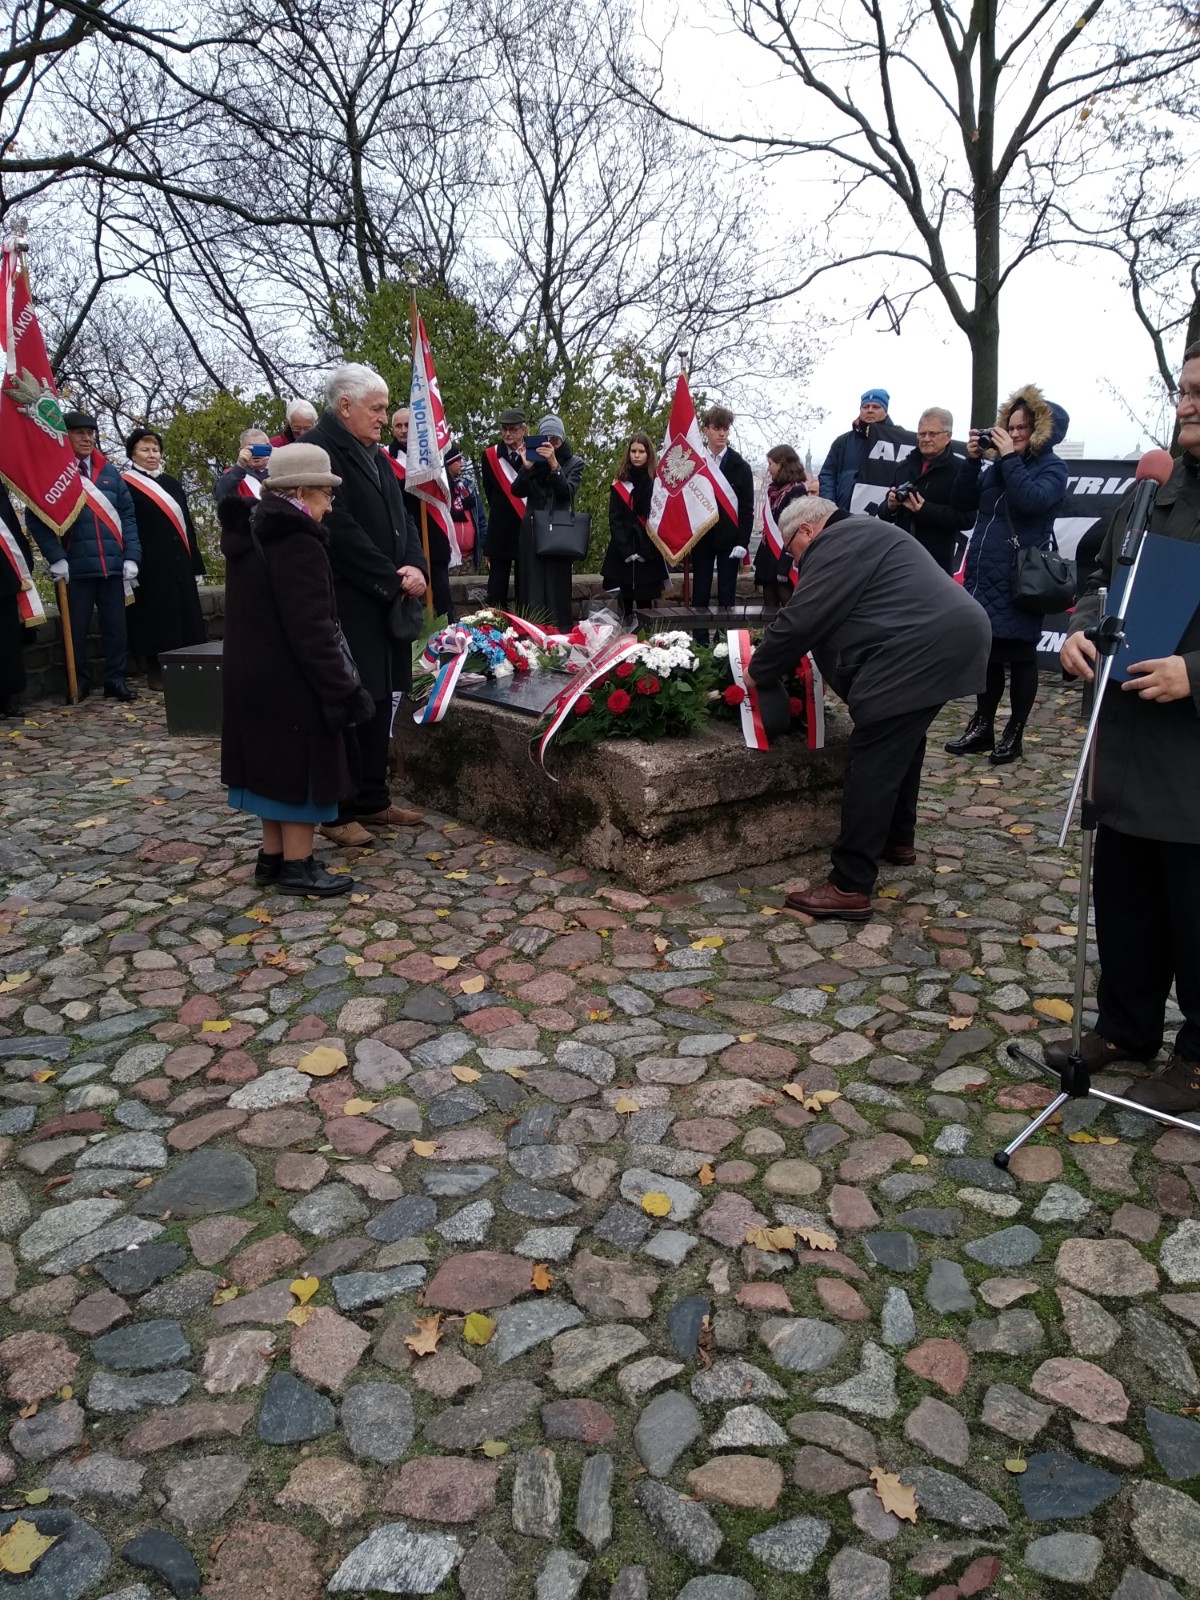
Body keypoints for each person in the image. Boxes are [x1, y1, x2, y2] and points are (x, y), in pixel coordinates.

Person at [1053, 346, 1200, 1112]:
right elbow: (1097, 581)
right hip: (1124, 744)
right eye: (1183, 390)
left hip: (1193, 759)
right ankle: (1126, 1025)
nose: (1187, 404)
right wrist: (1080, 630)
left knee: (1195, 914)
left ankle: (1199, 1055)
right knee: (1127, 903)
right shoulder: (1150, 497)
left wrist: (1195, 673)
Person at [748, 495, 989, 919]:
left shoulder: (836, 542)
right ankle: (898, 839)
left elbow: (803, 618)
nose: (794, 561)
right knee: (904, 741)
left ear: (806, 530)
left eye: (792, 550)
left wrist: (757, 670)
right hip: (950, 636)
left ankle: (849, 884)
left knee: (872, 760)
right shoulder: (864, 532)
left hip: (920, 647)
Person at [218, 442, 364, 898]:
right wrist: (341, 689)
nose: (330, 505)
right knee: (300, 769)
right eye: (326, 494)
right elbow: (311, 628)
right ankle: (299, 867)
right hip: (290, 679)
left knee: (269, 768)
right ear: (300, 493)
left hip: (252, 673)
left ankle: (272, 858)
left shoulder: (251, 533)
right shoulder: (299, 542)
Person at [306, 363, 427, 845]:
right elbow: (340, 530)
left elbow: (403, 518)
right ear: (345, 406)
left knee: (382, 699)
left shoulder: (373, 453)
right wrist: (391, 579)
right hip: (350, 600)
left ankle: (373, 798)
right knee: (352, 703)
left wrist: (415, 565)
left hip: (386, 599)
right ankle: (338, 811)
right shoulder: (320, 449)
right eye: (376, 409)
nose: (383, 418)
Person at [946, 385, 1070, 764]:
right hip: (984, 576)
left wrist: (1009, 459)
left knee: (1020, 655)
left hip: (1021, 578)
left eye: (1022, 428)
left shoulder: (1053, 467)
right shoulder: (999, 466)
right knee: (989, 654)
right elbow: (962, 503)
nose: (1014, 434)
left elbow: (1032, 501)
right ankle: (982, 726)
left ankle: (1014, 732)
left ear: (1041, 430)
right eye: (1010, 427)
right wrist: (972, 462)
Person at [26, 409, 141, 702]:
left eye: (90, 433)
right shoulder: (53, 473)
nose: (87, 438)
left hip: (112, 565)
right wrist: (55, 557)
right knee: (74, 631)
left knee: (117, 630)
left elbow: (127, 516)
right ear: (65, 437)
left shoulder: (109, 472)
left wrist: (132, 556)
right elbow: (36, 518)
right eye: (79, 433)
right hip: (73, 567)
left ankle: (116, 680)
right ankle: (79, 682)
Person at [121, 427, 207, 689]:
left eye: (155, 450)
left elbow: (187, 524)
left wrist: (196, 563)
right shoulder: (126, 484)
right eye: (145, 450)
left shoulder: (171, 483)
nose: (152, 455)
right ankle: (157, 669)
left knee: (185, 615)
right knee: (157, 615)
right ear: (133, 453)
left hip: (180, 559)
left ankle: (190, 663)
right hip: (150, 562)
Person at [874, 407, 973, 574]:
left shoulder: (960, 471)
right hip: (899, 559)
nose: (926, 439)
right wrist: (890, 506)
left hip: (936, 563)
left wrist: (924, 510)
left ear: (948, 436)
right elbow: (884, 514)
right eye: (922, 434)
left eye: (932, 434)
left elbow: (967, 519)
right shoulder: (903, 467)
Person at [513, 413, 584, 631]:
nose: (551, 444)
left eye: (555, 440)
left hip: (557, 533)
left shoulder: (574, 463)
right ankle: (530, 633)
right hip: (533, 532)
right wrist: (526, 468)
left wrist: (554, 466)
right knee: (531, 587)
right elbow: (517, 491)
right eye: (547, 440)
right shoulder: (533, 463)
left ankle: (559, 633)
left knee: (556, 588)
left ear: (562, 439)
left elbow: (566, 493)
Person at [387, 406, 456, 621]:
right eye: (398, 425)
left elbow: (448, 491)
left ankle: (448, 635)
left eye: (408, 425)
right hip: (404, 534)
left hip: (433, 531)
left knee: (442, 595)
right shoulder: (384, 457)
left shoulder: (434, 456)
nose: (403, 430)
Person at [690, 405, 754, 634]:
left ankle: (726, 644)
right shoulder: (695, 463)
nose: (722, 434)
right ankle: (699, 642)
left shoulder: (740, 466)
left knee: (727, 596)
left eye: (725, 429)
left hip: (730, 539)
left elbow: (746, 509)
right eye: (717, 428)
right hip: (702, 536)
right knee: (700, 594)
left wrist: (743, 541)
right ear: (705, 430)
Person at [602, 430, 668, 619]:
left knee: (646, 609)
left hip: (648, 553)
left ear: (648, 454)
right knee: (625, 608)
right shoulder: (620, 484)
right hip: (622, 553)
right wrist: (626, 551)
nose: (637, 455)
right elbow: (614, 519)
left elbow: (658, 519)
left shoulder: (656, 483)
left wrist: (645, 551)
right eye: (633, 451)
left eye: (641, 451)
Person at [753, 444, 817, 609]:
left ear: (781, 464)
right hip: (769, 554)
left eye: (770, 464)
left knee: (787, 601)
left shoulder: (797, 492)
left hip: (784, 556)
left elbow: (796, 527)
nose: (768, 469)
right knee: (769, 603)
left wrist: (785, 561)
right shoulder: (774, 490)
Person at [481, 407, 529, 607]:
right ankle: (494, 621)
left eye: (513, 429)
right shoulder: (490, 456)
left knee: (525, 585)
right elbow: (489, 491)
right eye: (504, 429)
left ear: (523, 430)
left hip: (525, 526)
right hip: (500, 527)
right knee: (496, 585)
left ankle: (525, 621)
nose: (508, 434)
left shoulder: (534, 453)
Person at [818, 388, 894, 512]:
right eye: (865, 407)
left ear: (885, 411)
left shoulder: (896, 442)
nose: (870, 410)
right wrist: (830, 507)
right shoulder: (842, 442)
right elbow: (827, 475)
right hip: (844, 512)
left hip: (881, 515)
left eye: (876, 407)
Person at [0, 493, 34, 717]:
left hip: (5, 578)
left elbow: (13, 529)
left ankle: (7, 697)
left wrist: (26, 564)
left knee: (7, 642)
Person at [446, 445, 486, 581]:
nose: (462, 464)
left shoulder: (468, 487)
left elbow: (481, 519)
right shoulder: (440, 489)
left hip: (470, 558)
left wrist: (485, 547)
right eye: (458, 461)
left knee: (472, 592)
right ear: (448, 463)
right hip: (449, 559)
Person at [214, 429, 272, 501]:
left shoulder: (279, 473)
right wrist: (239, 466)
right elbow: (220, 494)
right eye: (251, 449)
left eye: (260, 448)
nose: (256, 455)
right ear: (241, 451)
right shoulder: (234, 474)